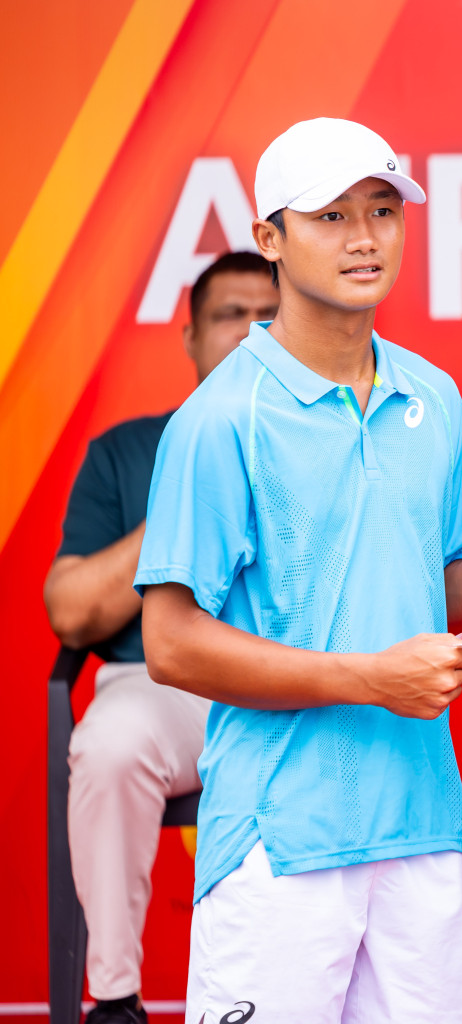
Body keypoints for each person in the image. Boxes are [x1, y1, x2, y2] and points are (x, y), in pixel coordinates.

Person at [134, 118, 462, 1024]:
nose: (366, 237)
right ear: (270, 239)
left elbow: (432, 592)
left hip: (427, 834)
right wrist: (369, 679)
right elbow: (172, 646)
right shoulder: (221, 421)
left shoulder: (433, 395)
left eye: (382, 210)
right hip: (279, 843)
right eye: (330, 215)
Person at [43, 251, 278, 1024]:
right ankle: (113, 1000)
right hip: (161, 687)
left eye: (268, 315)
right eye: (229, 315)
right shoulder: (129, 450)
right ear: (189, 337)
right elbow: (70, 612)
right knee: (108, 745)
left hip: (296, 680)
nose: (251, 331)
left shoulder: (328, 434)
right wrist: (187, 489)